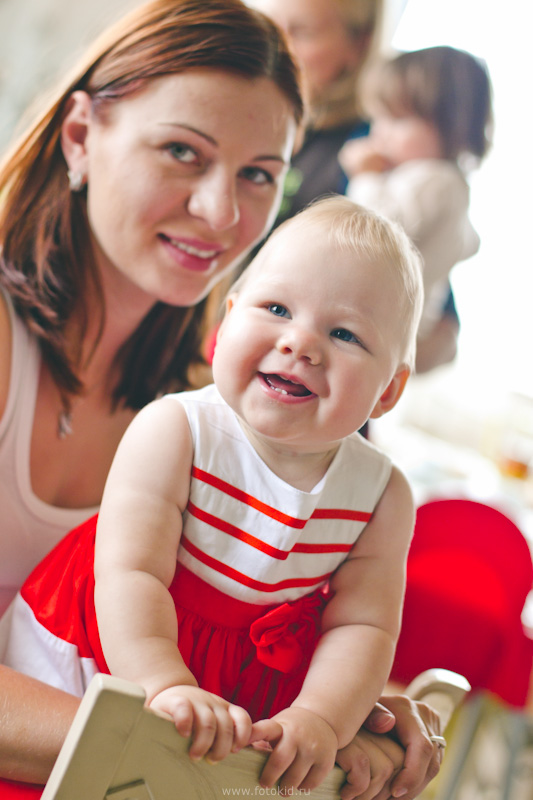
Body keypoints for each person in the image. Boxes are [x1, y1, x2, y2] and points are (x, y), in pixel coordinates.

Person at [0, 0, 442, 795]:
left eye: (259, 175)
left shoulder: (220, 418)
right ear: (79, 138)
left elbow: (251, 626)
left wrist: (343, 720)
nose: (222, 211)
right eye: (181, 151)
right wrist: (210, 763)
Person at [339, 45, 493, 352]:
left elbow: (370, 232)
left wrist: (365, 176)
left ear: (454, 125)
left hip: (379, 322)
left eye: (398, 121)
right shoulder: (450, 184)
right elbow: (468, 243)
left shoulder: (434, 179)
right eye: (378, 118)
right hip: (396, 325)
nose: (379, 133)